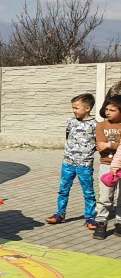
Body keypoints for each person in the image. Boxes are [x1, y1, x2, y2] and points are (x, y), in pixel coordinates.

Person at [45, 93, 98, 229]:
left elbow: (97, 143)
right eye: (73, 108)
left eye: (76, 108)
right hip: (68, 162)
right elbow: (68, 136)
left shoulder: (95, 124)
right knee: (63, 190)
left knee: (88, 192)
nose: (74, 110)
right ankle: (60, 214)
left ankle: (90, 217)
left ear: (87, 108)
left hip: (84, 164)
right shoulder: (70, 121)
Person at [94, 95, 121, 239]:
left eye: (112, 110)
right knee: (105, 196)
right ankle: (101, 222)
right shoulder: (101, 126)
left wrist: (109, 145)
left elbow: (107, 145)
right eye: (107, 109)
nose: (108, 112)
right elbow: (100, 146)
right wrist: (111, 145)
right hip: (106, 164)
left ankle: (119, 223)